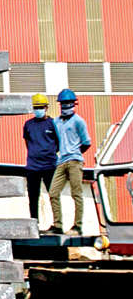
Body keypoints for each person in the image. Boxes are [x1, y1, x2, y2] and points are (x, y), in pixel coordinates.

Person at [48, 88, 94, 235]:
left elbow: (86, 142)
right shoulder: (56, 122)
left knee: (76, 193)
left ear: (74, 104)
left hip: (74, 160)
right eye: (63, 103)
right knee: (53, 192)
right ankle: (57, 225)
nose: (66, 106)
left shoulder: (79, 121)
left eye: (68, 103)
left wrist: (75, 153)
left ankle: (77, 226)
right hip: (61, 161)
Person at [22, 93, 59, 230]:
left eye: (41, 107)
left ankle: (57, 224)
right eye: (36, 107)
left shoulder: (53, 124)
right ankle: (34, 224)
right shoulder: (28, 125)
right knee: (33, 197)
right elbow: (27, 142)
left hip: (50, 166)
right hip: (32, 167)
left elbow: (59, 143)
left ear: (46, 108)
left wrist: (48, 153)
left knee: (54, 196)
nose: (38, 110)